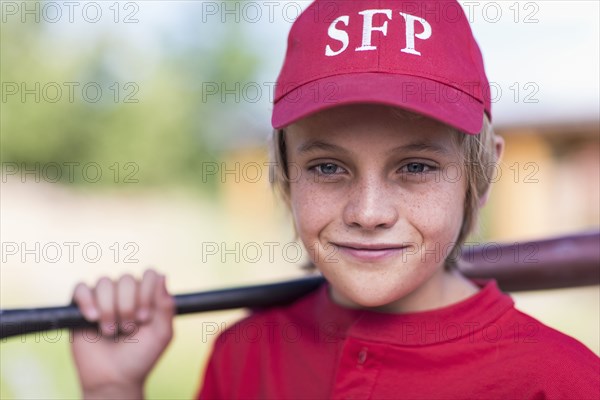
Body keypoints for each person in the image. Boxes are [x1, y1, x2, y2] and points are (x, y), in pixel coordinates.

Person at [71, 1, 600, 399]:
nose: (368, 213)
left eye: (416, 167)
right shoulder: (247, 356)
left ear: (480, 179)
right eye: (327, 168)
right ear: (283, 173)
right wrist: (114, 388)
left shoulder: (558, 381)